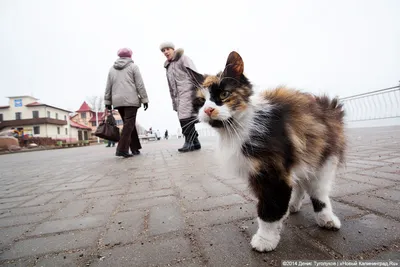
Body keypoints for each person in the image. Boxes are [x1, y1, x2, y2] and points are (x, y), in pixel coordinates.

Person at [104, 47, 149, 158]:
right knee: (128, 125)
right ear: (130, 56)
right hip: (131, 101)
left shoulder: (112, 69)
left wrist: (107, 101)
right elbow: (140, 85)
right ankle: (122, 149)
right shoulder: (133, 67)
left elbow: (108, 86)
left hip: (117, 101)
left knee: (129, 125)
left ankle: (135, 148)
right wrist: (144, 99)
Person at [160, 42, 201, 152]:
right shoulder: (168, 66)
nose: (165, 52)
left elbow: (194, 73)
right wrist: (173, 100)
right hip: (177, 96)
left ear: (173, 49)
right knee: (185, 117)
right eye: (163, 50)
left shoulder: (183, 59)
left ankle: (189, 142)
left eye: (167, 49)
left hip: (188, 92)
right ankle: (196, 142)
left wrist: (200, 91)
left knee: (184, 117)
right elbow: (170, 85)